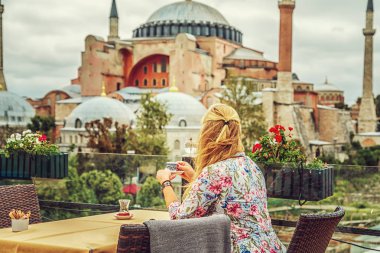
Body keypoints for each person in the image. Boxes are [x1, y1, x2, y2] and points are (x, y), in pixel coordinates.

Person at [156, 104, 285, 253]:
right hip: (272, 248)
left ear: (206, 134)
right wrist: (195, 178)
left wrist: (165, 183)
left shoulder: (214, 172)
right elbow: (228, 193)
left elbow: (179, 220)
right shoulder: (251, 166)